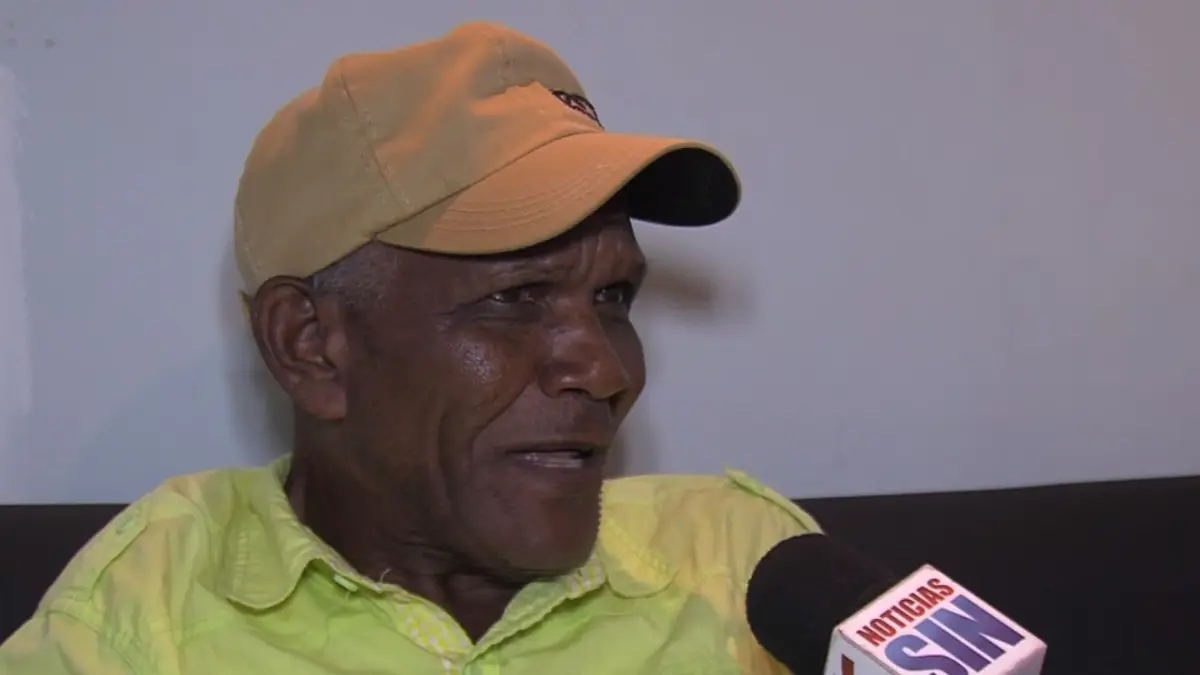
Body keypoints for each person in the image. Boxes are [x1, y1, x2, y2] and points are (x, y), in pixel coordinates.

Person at [0, 21, 820, 674]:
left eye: (612, 297)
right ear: (310, 346)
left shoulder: (747, 568)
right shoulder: (142, 621)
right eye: (516, 298)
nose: (606, 370)